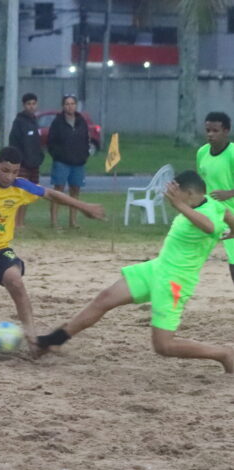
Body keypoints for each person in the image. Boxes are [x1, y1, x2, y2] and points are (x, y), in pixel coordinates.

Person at [37, 171, 234, 373]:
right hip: (156, 268)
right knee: (105, 298)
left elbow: (209, 227)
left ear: (191, 193)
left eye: (176, 193)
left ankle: (223, 353)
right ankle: (56, 339)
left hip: (175, 282)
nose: (170, 197)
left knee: (164, 346)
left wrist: (180, 206)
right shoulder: (210, 203)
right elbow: (228, 215)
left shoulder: (207, 213)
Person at [0, 146, 106, 356]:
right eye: (5, 170)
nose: (10, 176)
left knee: (15, 281)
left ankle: (33, 339)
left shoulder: (20, 187)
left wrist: (84, 207)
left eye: (15, 172)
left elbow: (52, 194)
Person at [196, 111, 234, 283]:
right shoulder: (202, 152)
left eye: (215, 131)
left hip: (231, 214)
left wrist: (230, 193)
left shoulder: (232, 154)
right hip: (209, 213)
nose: (210, 134)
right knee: (187, 250)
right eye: (208, 130)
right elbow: (200, 183)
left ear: (226, 131)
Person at [47, 94, 90, 229]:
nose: (70, 106)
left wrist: (84, 155)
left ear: (76, 106)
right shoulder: (57, 122)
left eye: (72, 103)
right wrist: (57, 155)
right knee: (58, 191)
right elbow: (51, 142)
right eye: (67, 103)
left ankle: (73, 221)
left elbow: (86, 139)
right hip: (62, 162)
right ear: (63, 106)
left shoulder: (81, 121)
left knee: (75, 192)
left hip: (78, 163)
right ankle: (54, 221)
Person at [8, 92, 44, 228]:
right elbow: (14, 142)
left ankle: (22, 222)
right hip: (22, 164)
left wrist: (39, 157)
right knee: (19, 193)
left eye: (34, 103)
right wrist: (18, 161)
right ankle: (16, 222)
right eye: (29, 104)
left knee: (29, 193)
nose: (31, 106)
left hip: (34, 164)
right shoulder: (19, 122)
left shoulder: (34, 121)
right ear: (24, 105)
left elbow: (37, 143)